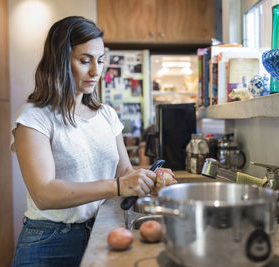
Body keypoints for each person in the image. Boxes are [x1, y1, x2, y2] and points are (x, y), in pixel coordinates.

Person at [11, 16, 174, 267]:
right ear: (60, 61)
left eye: (100, 61)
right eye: (85, 61)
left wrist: (146, 179)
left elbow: (124, 171)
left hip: (102, 228)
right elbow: (44, 193)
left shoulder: (106, 114)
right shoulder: (35, 117)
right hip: (49, 241)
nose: (96, 71)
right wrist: (118, 186)